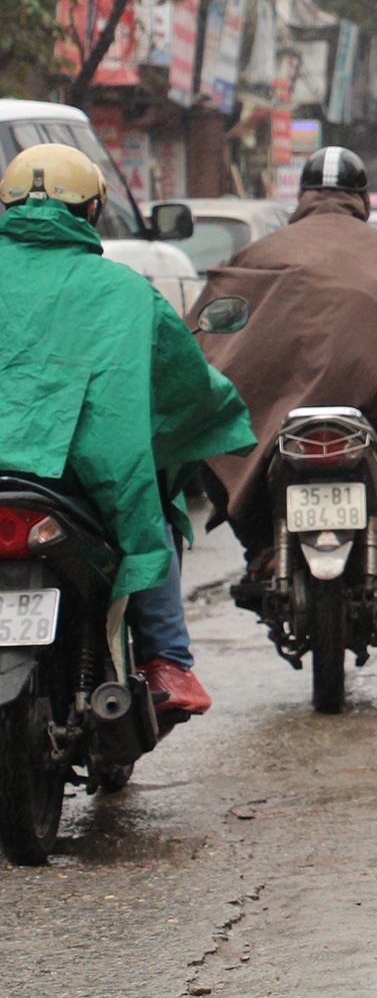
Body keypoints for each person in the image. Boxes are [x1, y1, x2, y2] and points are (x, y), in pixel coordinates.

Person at [0, 144, 255, 720]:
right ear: (91, 212)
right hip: (77, 480)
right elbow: (185, 383)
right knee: (150, 514)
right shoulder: (125, 291)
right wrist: (221, 412)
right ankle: (166, 660)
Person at [195, 147, 377, 581]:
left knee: (207, 438)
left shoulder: (261, 253)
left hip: (277, 422)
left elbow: (213, 326)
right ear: (361, 198)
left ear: (303, 196)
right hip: (371, 417)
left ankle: (263, 547)